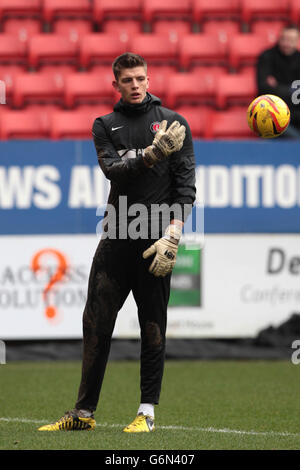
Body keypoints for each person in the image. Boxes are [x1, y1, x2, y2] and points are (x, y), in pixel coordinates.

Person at [38, 52, 196, 433]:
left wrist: (173, 235)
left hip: (155, 240)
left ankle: (147, 413)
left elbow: (185, 188)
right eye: (128, 80)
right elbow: (114, 172)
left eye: (141, 78)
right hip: (117, 237)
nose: (137, 85)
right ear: (117, 85)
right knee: (94, 322)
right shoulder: (105, 125)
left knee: (153, 325)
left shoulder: (174, 123)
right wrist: (152, 154)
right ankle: (83, 413)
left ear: (149, 78)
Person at [256, 24, 300, 137]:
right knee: (294, 138)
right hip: (272, 112)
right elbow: (264, 88)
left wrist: (277, 87)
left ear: (296, 41)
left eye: (291, 40)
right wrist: (293, 90)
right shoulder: (267, 57)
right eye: (284, 39)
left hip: (296, 112)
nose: (286, 43)